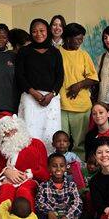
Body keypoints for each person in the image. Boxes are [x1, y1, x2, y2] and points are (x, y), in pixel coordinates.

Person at [16, 18, 64, 154]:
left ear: (47, 31)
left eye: (42, 30)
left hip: (51, 99)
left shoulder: (55, 52)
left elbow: (60, 76)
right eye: (34, 31)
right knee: (30, 133)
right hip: (30, 98)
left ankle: (51, 164)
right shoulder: (24, 51)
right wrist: (33, 92)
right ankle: (29, 162)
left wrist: (52, 94)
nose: (38, 34)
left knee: (50, 133)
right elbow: (20, 76)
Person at [59, 23, 98, 160]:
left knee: (79, 144)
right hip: (60, 106)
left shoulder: (83, 55)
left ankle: (79, 172)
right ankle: (60, 169)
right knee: (60, 143)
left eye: (82, 39)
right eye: (78, 39)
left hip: (81, 107)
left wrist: (79, 85)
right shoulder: (56, 53)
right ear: (68, 38)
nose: (80, 42)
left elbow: (93, 78)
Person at [36, 153, 84, 219]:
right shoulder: (43, 186)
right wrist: (49, 212)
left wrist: (66, 217)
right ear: (48, 168)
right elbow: (39, 203)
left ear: (66, 167)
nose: (58, 169)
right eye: (54, 166)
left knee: (86, 216)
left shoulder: (71, 185)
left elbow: (77, 203)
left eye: (61, 165)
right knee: (37, 217)